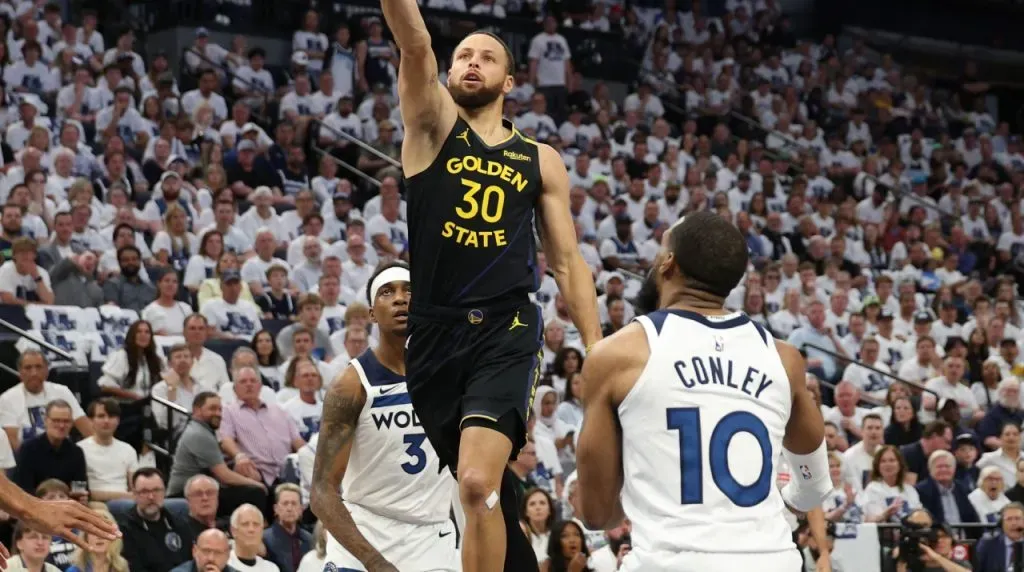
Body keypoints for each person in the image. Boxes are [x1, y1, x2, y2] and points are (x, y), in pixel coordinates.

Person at [381, 3, 602, 569]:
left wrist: (598, 351)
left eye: (486, 58)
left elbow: (569, 263)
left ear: (510, 80)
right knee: (485, 494)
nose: (471, 64)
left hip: (507, 328)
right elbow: (413, 42)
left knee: (477, 484)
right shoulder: (431, 125)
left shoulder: (540, 159)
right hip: (434, 334)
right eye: (462, 57)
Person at [575, 212, 829, 571]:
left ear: (668, 264)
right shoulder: (783, 357)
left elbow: (597, 514)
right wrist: (788, 497)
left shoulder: (617, 355)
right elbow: (814, 486)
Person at [310, 262, 458, 571]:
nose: (400, 299)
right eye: (387, 292)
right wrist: (373, 561)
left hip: (431, 537)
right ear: (372, 314)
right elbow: (321, 491)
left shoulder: (451, 376)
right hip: (365, 533)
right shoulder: (351, 384)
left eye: (409, 291)